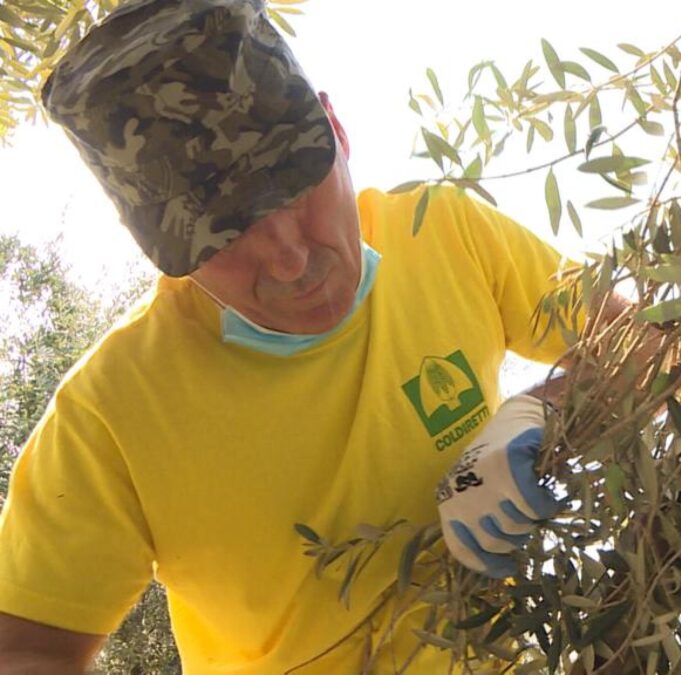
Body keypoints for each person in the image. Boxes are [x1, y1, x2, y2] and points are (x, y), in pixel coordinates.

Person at [0, 0, 588, 671]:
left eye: (294, 185)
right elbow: (24, 649)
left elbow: (657, 338)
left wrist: (545, 411)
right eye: (222, 232)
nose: (287, 256)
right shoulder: (108, 414)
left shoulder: (447, 233)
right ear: (159, 250)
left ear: (336, 128)